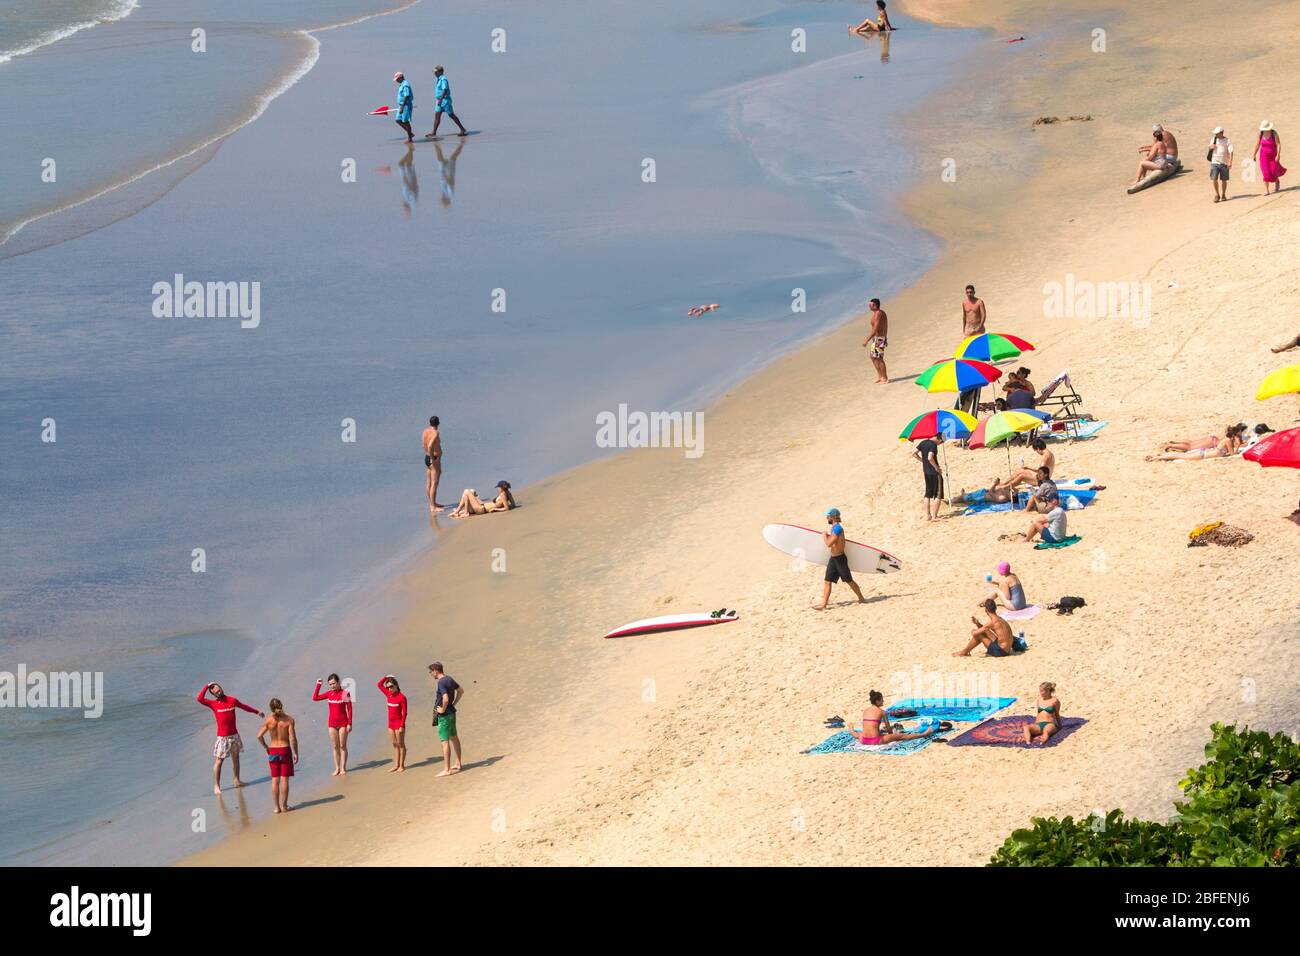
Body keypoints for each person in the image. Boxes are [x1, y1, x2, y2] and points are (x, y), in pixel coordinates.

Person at [196, 682, 264, 795]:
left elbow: (244, 707)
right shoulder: (213, 704)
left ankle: (237, 780)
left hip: (234, 735)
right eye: (216, 691)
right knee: (219, 761)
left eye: (219, 689)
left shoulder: (232, 700)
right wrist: (207, 686)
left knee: (236, 758)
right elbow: (199, 699)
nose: (219, 691)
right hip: (223, 738)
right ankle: (217, 786)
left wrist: (257, 711)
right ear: (213, 694)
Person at [814, 508, 869, 610]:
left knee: (849, 580)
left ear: (833, 517)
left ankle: (861, 598)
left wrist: (824, 535)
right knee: (827, 581)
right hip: (833, 559)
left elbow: (829, 544)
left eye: (828, 516)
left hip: (840, 559)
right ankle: (823, 604)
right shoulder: (834, 528)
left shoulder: (838, 529)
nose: (827, 518)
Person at [256, 699, 299, 813]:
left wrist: (266, 747)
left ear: (270, 708)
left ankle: (276, 808)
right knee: (284, 779)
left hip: (273, 750)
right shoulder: (289, 720)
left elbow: (259, 736)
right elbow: (293, 739)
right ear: (281, 705)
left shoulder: (269, 720)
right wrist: (295, 753)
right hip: (285, 750)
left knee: (275, 780)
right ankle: (284, 807)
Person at [849, 690, 936, 746]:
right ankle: (924, 734)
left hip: (863, 740)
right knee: (902, 736)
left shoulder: (865, 711)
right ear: (877, 701)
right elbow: (889, 732)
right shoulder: (882, 712)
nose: (883, 701)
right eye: (881, 700)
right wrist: (892, 733)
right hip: (875, 740)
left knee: (857, 734)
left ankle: (852, 730)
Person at [312, 674, 354, 776]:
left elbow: (350, 709)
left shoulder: (345, 693)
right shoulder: (329, 694)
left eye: (334, 683)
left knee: (342, 745)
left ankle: (343, 767)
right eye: (330, 684)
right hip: (332, 724)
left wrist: (350, 723)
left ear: (339, 682)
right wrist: (318, 685)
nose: (332, 686)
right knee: (335, 746)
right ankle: (337, 768)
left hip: (343, 723)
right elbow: (315, 698)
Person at [957, 285, 987, 414]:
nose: (969, 294)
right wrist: (964, 328)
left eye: (971, 292)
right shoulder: (964, 302)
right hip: (969, 328)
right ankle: (971, 363)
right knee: (967, 349)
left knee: (979, 346)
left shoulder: (979, 302)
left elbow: (984, 315)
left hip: (978, 327)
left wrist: (980, 326)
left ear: (974, 292)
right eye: (967, 292)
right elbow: (964, 316)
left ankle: (983, 361)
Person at [429, 662, 463, 776]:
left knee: (445, 741)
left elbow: (446, 699)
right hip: (452, 713)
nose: (431, 674)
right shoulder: (449, 679)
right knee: (454, 738)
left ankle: (447, 769)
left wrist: (442, 709)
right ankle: (458, 763)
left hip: (444, 716)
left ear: (435, 670)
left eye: (431, 672)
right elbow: (461, 690)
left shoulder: (441, 682)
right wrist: (454, 704)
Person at [1146, 427, 1243, 461]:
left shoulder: (1227, 440)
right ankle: (1157, 458)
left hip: (1204, 452)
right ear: (1234, 436)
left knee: (1185, 451)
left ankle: (1161, 456)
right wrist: (1238, 446)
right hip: (1203, 454)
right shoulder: (1227, 441)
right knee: (1180, 455)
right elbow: (1233, 455)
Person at [1130, 123, 1178, 189]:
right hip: (1165, 161)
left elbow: (1152, 154)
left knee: (1142, 162)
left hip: (1166, 161)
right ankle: (1143, 177)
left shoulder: (1162, 138)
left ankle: (1138, 180)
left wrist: (1145, 160)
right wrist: (1144, 148)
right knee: (1147, 159)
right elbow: (1155, 148)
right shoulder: (1162, 140)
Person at [377, 675, 409, 773]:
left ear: (396, 686)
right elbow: (379, 685)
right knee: (394, 744)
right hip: (390, 724)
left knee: (401, 744)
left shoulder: (402, 697)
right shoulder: (388, 694)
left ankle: (401, 765)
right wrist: (386, 677)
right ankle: (396, 765)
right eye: (388, 687)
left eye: (391, 686)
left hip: (399, 724)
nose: (389, 689)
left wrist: (401, 726)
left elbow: (405, 713)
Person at [426, 65, 468, 137]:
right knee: (437, 116)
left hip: (445, 100)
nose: (434, 74)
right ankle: (434, 132)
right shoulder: (438, 79)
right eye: (434, 72)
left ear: (440, 72)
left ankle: (462, 129)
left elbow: (444, 90)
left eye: (436, 72)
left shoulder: (443, 79)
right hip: (439, 100)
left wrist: (441, 99)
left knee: (451, 115)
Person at [1157, 424, 1245, 454]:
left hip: (1212, 439)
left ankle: (1175, 442)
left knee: (1191, 443)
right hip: (1213, 442)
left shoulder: (1231, 431)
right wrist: (1238, 445)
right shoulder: (1236, 437)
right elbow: (1234, 450)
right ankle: (1171, 445)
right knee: (1190, 447)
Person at [912, 434, 943, 520]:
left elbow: (914, 453)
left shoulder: (923, 442)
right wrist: (937, 468)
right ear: (939, 439)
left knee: (928, 494)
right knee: (938, 494)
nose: (939, 444)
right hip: (934, 473)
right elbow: (930, 457)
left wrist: (923, 461)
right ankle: (934, 516)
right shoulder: (933, 445)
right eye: (940, 442)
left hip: (926, 472)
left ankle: (927, 515)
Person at [449, 480, 517, 517]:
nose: (498, 489)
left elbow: (506, 508)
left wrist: (496, 509)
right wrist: (500, 506)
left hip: (481, 509)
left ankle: (463, 512)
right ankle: (460, 511)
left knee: (466, 491)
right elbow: (513, 505)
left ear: (501, 487)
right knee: (472, 491)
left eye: (498, 488)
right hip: (482, 506)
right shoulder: (508, 493)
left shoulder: (503, 494)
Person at [1253, 121, 1286, 194]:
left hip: (1273, 155)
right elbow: (1258, 144)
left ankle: (1277, 181)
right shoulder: (1260, 134)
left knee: (1273, 171)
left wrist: (1278, 154)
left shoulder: (1274, 133)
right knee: (1265, 172)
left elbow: (1278, 144)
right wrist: (1254, 154)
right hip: (1263, 156)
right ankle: (1266, 190)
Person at [862, 298, 889, 384]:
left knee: (879, 358)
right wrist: (886, 338)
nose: (869, 306)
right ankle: (880, 376)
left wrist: (866, 340)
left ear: (874, 305)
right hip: (879, 338)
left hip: (879, 338)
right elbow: (884, 326)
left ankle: (885, 378)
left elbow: (876, 328)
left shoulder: (878, 313)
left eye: (870, 305)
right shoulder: (878, 313)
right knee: (872, 357)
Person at [422, 415, 444, 512]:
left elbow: (424, 444)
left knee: (429, 482)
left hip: (427, 458)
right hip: (433, 459)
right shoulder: (435, 433)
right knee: (434, 483)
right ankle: (432, 506)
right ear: (438, 424)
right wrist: (433, 459)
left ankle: (432, 503)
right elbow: (430, 445)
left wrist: (428, 455)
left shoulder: (425, 431)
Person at [1208, 126, 1233, 202]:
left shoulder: (1227, 140)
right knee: (1214, 179)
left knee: (1224, 180)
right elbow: (1209, 147)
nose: (1216, 135)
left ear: (1222, 133)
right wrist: (1211, 147)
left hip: (1224, 163)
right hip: (1214, 162)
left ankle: (1223, 194)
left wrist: (1230, 162)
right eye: (1215, 133)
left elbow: (1231, 152)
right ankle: (1216, 194)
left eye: (1217, 133)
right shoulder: (1214, 139)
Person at [392, 71, 414, 143]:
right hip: (401, 105)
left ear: (401, 78)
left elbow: (406, 96)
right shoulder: (402, 84)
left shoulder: (405, 85)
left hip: (405, 106)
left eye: (397, 79)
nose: (397, 81)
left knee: (406, 121)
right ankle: (410, 133)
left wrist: (402, 107)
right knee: (398, 120)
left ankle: (410, 139)